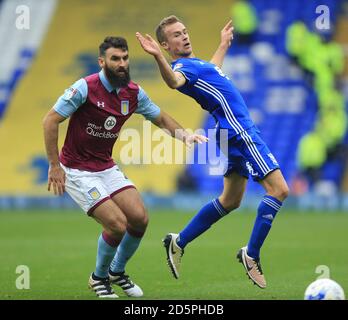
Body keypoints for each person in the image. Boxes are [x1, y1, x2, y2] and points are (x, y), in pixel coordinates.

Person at [42, 36, 207, 298]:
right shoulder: (85, 88)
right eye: (115, 59)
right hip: (77, 170)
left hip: (105, 166)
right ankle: (99, 278)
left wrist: (186, 135)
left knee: (140, 218)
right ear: (102, 61)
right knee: (117, 224)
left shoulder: (133, 92)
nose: (122, 64)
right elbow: (50, 120)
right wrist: (54, 165)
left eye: (125, 58)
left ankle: (117, 272)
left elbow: (160, 117)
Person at [136, 16, 289, 289]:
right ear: (165, 44)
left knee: (230, 200)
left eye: (184, 31)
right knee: (279, 190)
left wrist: (223, 45)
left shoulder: (199, 66)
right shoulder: (181, 67)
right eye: (175, 35)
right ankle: (251, 254)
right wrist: (158, 58)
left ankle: (178, 241)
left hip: (227, 133)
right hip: (240, 131)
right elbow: (174, 81)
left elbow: (212, 70)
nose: (184, 36)